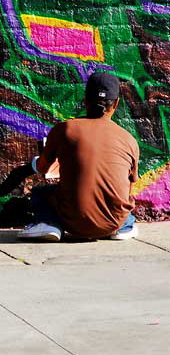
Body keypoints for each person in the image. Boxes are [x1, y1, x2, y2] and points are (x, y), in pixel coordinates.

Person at [18, 71, 139, 242]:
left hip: (74, 221)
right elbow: (128, 189)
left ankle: (50, 224)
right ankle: (123, 228)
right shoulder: (129, 139)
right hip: (113, 221)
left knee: (39, 193)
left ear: (85, 100)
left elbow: (43, 168)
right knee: (125, 209)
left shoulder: (65, 128)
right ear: (116, 103)